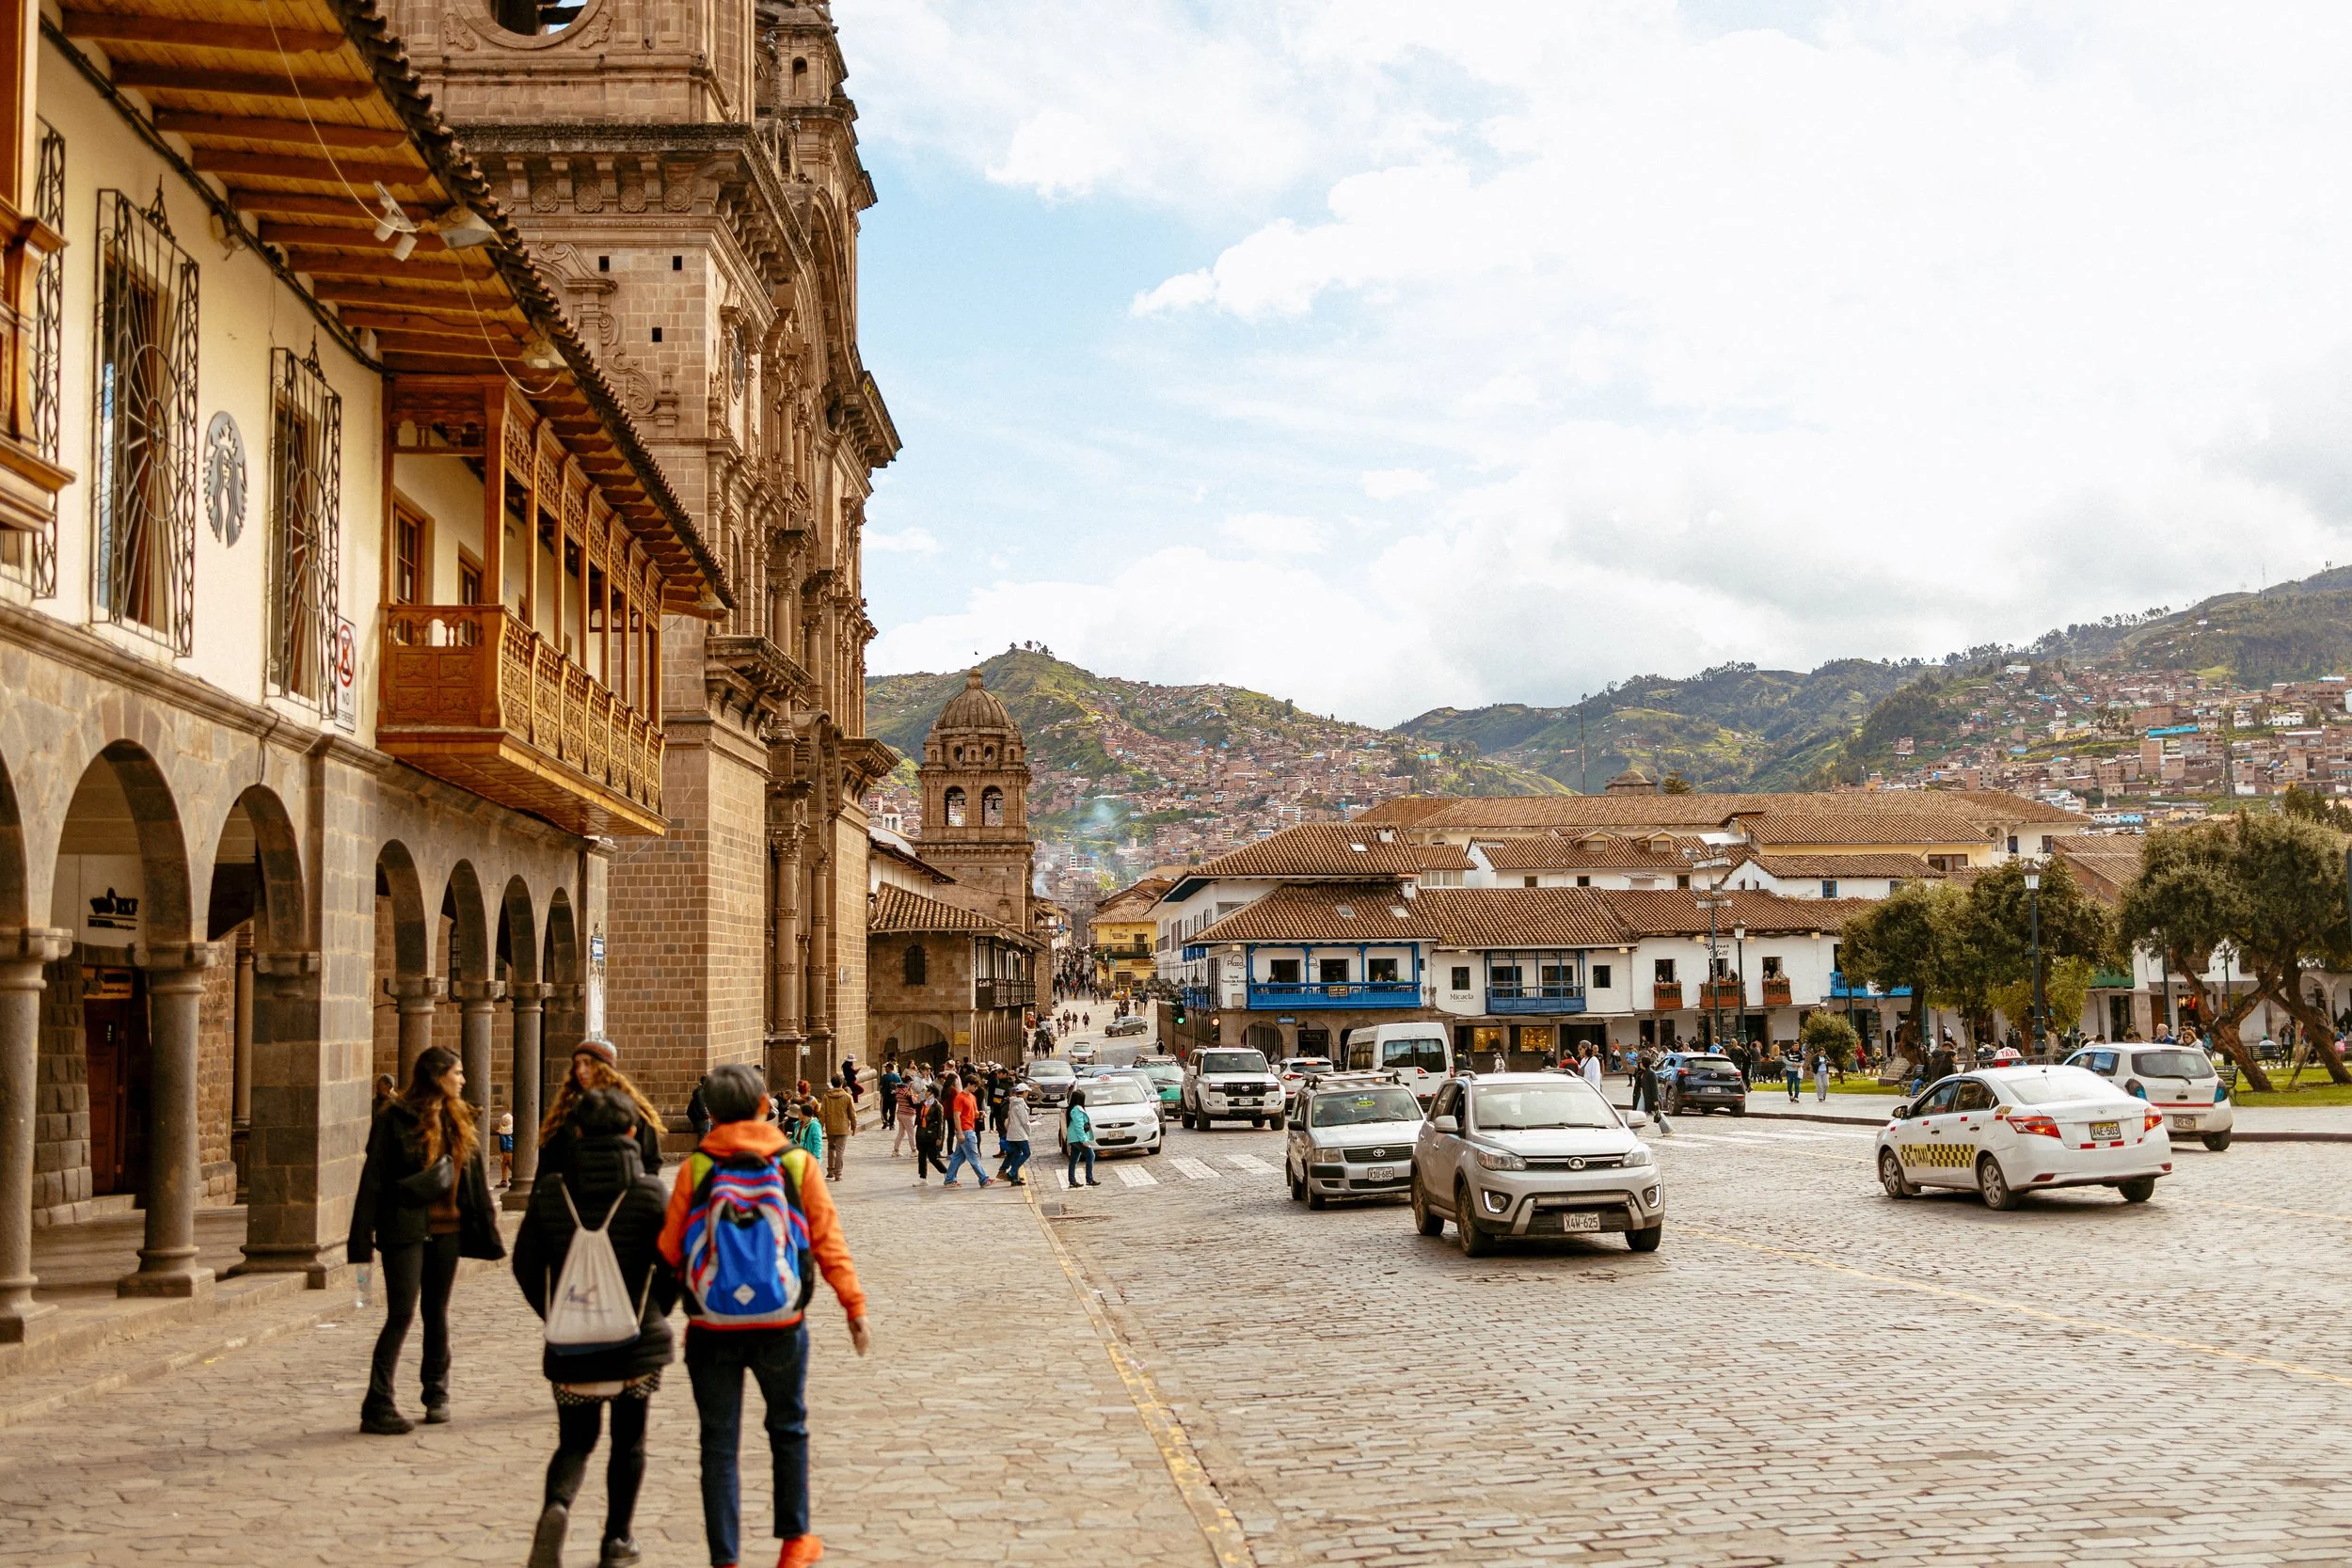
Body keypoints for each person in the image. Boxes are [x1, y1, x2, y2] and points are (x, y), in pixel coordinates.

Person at [657, 1063, 868, 1568]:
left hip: (711, 1326)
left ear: (711, 1112)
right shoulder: (795, 1163)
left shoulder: (698, 1167)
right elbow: (826, 1240)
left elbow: (669, 1250)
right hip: (781, 1323)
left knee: (718, 1443)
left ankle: (725, 1558)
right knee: (789, 1427)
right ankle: (795, 1542)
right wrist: (853, 1306)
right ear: (762, 1106)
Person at [514, 1088, 678, 1568]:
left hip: (572, 1347)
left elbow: (525, 1265)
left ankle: (557, 1506)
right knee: (629, 1442)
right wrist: (653, 1313)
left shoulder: (550, 1192)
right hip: (635, 1345)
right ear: (633, 1132)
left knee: (575, 1441)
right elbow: (673, 1266)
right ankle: (617, 1539)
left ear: (577, 1132)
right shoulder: (649, 1193)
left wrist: (557, 1315)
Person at [347, 1045, 505, 1434]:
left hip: (447, 1231)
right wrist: (361, 1239)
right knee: (401, 1314)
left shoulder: (460, 1118)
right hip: (403, 1229)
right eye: (458, 1072)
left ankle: (437, 1393)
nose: (463, 1080)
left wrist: (486, 1225)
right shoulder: (394, 1119)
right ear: (437, 1076)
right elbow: (373, 1180)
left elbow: (473, 1180)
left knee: (437, 1312)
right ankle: (377, 1403)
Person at [542, 1037, 665, 1180]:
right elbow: (548, 1166)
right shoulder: (566, 1113)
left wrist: (636, 1194)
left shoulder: (631, 1111)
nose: (581, 1071)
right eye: (577, 1065)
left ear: (605, 1068)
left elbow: (651, 1161)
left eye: (588, 1063)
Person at [940, 1072, 993, 1189]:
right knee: (974, 1157)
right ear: (968, 1084)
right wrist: (959, 1132)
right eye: (974, 1086)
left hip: (970, 1129)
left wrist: (981, 1114)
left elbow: (974, 1113)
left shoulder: (972, 1097)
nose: (976, 1088)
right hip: (966, 1131)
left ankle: (949, 1179)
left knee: (958, 1157)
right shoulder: (960, 1097)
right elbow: (956, 1116)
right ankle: (984, 1179)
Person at [818, 1079, 855, 1182]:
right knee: (839, 1151)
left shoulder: (826, 1097)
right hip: (842, 1127)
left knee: (831, 1147)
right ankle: (838, 1174)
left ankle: (830, 1171)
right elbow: (852, 1114)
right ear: (842, 1084)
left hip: (830, 1126)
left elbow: (822, 1113)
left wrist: (820, 1127)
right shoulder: (848, 1097)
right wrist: (853, 1126)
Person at [997, 1084, 1034, 1186]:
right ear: (1025, 1092)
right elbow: (1024, 1121)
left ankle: (1015, 1178)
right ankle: (1012, 1173)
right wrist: (1029, 1131)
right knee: (1027, 1153)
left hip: (1012, 1133)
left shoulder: (1013, 1102)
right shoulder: (1020, 1104)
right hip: (1019, 1133)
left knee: (1016, 1154)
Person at [1630, 1050, 1672, 1136]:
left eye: (1641, 1062)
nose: (1639, 1064)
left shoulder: (1651, 1073)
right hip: (1642, 1096)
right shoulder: (1642, 1072)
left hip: (1649, 1097)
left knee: (1657, 1113)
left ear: (1644, 1063)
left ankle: (1667, 1129)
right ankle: (1634, 1132)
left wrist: (1656, 1100)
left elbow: (1654, 1088)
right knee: (1639, 1114)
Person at [913, 1085, 947, 1185]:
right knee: (921, 1157)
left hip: (931, 1135)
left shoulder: (938, 1106)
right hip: (921, 1134)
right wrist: (908, 1096)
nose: (926, 1092)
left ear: (932, 1093)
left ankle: (946, 1172)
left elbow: (941, 1123)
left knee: (933, 1158)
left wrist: (939, 1137)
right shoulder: (923, 1104)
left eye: (928, 1091)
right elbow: (912, 1105)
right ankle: (923, 1178)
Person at [1064, 1089, 1101, 1186]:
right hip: (1078, 1138)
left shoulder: (1073, 1109)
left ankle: (1072, 1181)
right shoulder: (1077, 1110)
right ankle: (1089, 1179)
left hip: (1073, 1138)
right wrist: (1083, 1140)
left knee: (1074, 1159)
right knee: (1091, 1156)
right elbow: (1079, 1126)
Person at [878, 1062, 902, 1132]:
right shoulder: (897, 1076)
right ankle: (892, 1124)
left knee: (884, 1111)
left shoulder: (885, 1076)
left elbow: (881, 1086)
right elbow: (900, 1085)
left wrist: (881, 1091)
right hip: (894, 1097)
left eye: (886, 1068)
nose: (885, 1069)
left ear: (889, 1068)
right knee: (892, 1111)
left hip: (885, 1096)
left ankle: (886, 1122)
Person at [689, 1073, 714, 1139]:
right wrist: (707, 1117)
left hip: (700, 1117)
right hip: (700, 1119)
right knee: (704, 1134)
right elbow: (702, 1106)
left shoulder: (702, 1091)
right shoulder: (700, 1092)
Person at [498, 1109, 516, 1187]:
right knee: (507, 1165)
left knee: (506, 1165)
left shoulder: (503, 1132)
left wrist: (502, 1150)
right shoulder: (513, 1131)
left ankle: (507, 1180)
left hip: (506, 1151)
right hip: (512, 1150)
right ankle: (504, 1180)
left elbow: (503, 1143)